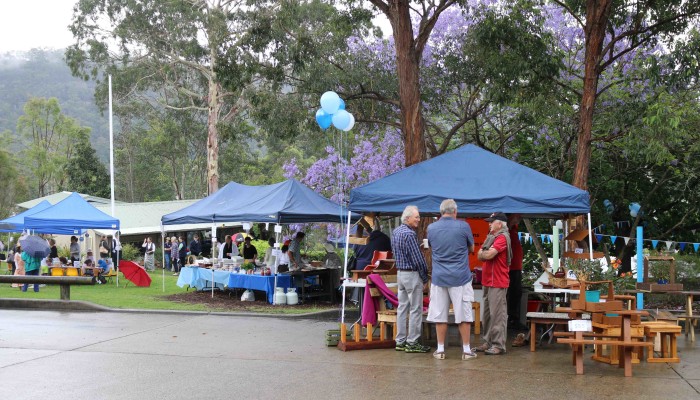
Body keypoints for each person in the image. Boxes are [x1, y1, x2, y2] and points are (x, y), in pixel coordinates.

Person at [426, 199, 477, 360]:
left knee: (440, 314)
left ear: (441, 212)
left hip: (439, 277)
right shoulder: (464, 226)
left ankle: (440, 350)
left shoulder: (431, 228)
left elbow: (432, 247)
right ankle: (467, 351)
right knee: (464, 315)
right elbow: (472, 248)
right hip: (460, 277)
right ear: (455, 211)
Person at [392, 205, 430, 354]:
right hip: (412, 274)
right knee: (415, 309)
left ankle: (400, 341)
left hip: (400, 273)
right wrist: (425, 276)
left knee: (402, 308)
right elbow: (418, 260)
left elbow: (398, 252)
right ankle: (412, 342)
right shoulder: (410, 234)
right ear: (408, 218)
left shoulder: (396, 232)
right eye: (417, 217)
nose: (419, 220)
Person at [476, 212, 513, 355]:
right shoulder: (492, 237)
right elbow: (480, 254)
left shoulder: (502, 237)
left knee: (497, 314)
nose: (489, 224)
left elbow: (488, 254)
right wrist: (484, 253)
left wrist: (484, 253)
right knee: (487, 315)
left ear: (500, 223)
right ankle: (488, 342)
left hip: (498, 281)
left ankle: (498, 345)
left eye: (492, 221)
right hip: (488, 281)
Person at [507, 213, 525, 330]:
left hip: (516, 267)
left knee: (517, 293)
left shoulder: (514, 229)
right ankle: (511, 319)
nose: (519, 218)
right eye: (516, 217)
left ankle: (514, 318)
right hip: (510, 268)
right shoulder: (506, 229)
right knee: (511, 294)